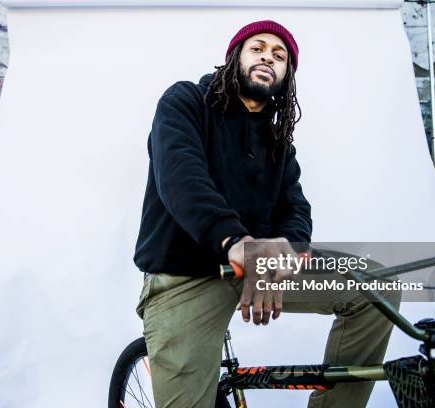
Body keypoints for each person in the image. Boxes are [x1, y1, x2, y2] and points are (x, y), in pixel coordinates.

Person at [134, 20, 401, 408]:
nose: (268, 58)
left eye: (280, 56)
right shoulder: (185, 102)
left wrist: (282, 252)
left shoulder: (278, 143)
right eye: (257, 48)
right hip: (187, 277)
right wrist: (236, 242)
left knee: (379, 286)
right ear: (234, 58)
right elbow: (182, 180)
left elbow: (296, 210)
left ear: (286, 77)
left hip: (260, 266)